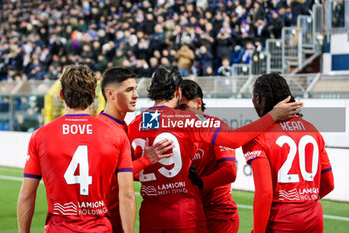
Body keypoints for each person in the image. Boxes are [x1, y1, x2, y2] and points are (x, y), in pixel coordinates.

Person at [127, 67, 302, 233]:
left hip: (150, 215)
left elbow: (125, 172)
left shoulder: (135, 124)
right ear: (178, 92)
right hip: (184, 214)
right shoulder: (187, 120)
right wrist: (273, 116)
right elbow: (234, 140)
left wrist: (146, 161)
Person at [17, 65, 136, 233]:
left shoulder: (41, 135)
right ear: (94, 96)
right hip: (100, 228)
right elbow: (128, 195)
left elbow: (27, 194)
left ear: (61, 95)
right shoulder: (116, 134)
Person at [242, 73, 334, 233]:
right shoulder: (312, 130)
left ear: (257, 98)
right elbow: (329, 184)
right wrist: (303, 201)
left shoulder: (257, 136)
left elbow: (264, 194)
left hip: (281, 222)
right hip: (314, 220)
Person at [97, 67, 174, 232]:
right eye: (129, 90)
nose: (136, 95)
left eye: (135, 89)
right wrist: (147, 160)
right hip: (105, 221)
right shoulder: (103, 129)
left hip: (116, 218)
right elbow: (111, 175)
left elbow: (127, 172)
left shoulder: (122, 126)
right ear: (110, 94)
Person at [178, 79, 239, 233]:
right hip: (192, 213)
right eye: (177, 109)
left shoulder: (216, 128)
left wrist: (200, 183)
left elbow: (229, 172)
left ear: (198, 103)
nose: (180, 114)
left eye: (184, 107)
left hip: (218, 214)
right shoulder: (177, 133)